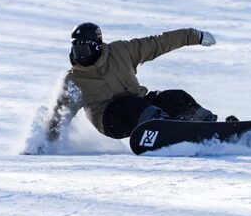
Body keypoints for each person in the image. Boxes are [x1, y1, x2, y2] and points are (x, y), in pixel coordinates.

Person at [40, 22, 226, 151]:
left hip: (142, 105)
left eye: (84, 50)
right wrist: (43, 145)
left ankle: (207, 125)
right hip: (110, 120)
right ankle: (163, 127)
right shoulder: (73, 80)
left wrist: (193, 36)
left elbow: (157, 43)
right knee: (130, 104)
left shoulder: (121, 51)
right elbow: (59, 116)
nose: (80, 56)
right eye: (76, 50)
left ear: (97, 47)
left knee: (175, 96)